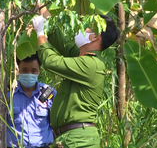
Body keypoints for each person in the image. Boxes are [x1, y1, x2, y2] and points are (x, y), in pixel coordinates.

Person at [32, 11, 118, 147]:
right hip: (71, 138)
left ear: (95, 36)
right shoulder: (84, 59)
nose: (80, 28)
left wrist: (40, 34)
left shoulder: (91, 64)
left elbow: (50, 61)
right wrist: (43, 12)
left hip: (79, 140)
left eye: (86, 26)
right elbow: (63, 43)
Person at [0, 53, 57, 148]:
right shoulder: (7, 95)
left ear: (39, 71)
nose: (29, 74)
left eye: (33, 70)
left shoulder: (49, 92)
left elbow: (58, 123)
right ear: (17, 70)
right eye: (24, 70)